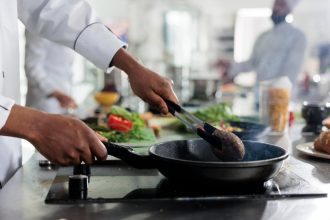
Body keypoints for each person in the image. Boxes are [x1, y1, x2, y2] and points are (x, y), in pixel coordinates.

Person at [0, 0, 178, 188]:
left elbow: (52, 6)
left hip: (7, 160)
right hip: (37, 108)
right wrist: (36, 125)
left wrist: (132, 66)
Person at [218, 0, 307, 100]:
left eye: (281, 5)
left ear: (289, 10)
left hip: (282, 99)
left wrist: (275, 93)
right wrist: (230, 66)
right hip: (259, 96)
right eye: (275, 4)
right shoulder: (263, 37)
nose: (276, 8)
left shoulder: (297, 37)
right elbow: (252, 63)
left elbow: (290, 72)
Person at [24, 30, 78, 114]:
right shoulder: (36, 29)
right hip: (43, 103)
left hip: (63, 100)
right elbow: (32, 68)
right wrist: (56, 93)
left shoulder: (66, 30)